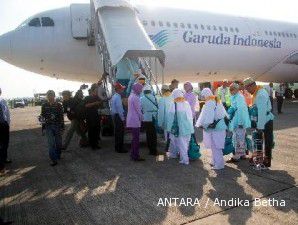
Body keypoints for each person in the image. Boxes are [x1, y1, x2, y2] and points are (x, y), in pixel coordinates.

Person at [244, 77, 274, 167]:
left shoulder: (261, 94)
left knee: (266, 141)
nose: (248, 91)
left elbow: (261, 113)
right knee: (259, 141)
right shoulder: (257, 92)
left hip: (265, 121)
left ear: (252, 85)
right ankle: (259, 159)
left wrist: (260, 127)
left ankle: (266, 161)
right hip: (261, 120)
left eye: (247, 88)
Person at [195, 88, 227, 170]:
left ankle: (219, 165)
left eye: (203, 96)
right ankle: (216, 162)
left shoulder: (209, 102)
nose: (202, 97)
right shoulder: (215, 100)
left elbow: (208, 118)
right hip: (219, 127)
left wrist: (203, 126)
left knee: (216, 147)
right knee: (216, 146)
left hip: (216, 128)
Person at [166, 89, 194, 165]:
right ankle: (181, 157)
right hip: (187, 127)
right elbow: (190, 117)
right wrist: (191, 128)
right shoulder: (186, 103)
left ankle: (185, 160)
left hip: (178, 128)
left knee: (180, 143)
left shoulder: (173, 104)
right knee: (185, 143)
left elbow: (170, 118)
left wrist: (168, 128)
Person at [226, 83, 251, 163]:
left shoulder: (239, 97)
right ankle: (242, 153)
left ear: (235, 90)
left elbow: (241, 111)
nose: (230, 91)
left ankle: (237, 156)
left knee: (238, 138)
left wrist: (240, 122)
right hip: (237, 120)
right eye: (230, 89)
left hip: (239, 121)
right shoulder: (236, 96)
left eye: (231, 89)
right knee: (240, 137)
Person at [41, 90, 64, 166]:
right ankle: (53, 160)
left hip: (57, 126)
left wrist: (62, 127)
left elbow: (61, 117)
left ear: (54, 96)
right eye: (48, 95)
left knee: (59, 143)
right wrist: (43, 128)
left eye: (51, 95)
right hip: (48, 127)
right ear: (47, 96)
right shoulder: (44, 105)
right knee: (51, 144)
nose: (50, 97)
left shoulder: (59, 105)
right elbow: (42, 117)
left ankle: (58, 155)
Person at [126, 83, 144, 161]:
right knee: (136, 139)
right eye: (140, 89)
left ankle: (133, 154)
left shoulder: (131, 96)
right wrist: (142, 118)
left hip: (131, 119)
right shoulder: (136, 97)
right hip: (135, 120)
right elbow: (138, 110)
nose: (141, 90)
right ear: (137, 89)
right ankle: (135, 156)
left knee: (134, 138)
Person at [141, 85, 159, 155]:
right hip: (154, 117)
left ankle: (150, 149)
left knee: (148, 134)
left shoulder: (142, 98)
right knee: (154, 134)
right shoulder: (154, 98)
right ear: (150, 91)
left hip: (146, 117)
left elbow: (140, 108)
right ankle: (154, 149)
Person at [111, 82, 127, 153]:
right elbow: (120, 109)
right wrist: (123, 119)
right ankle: (120, 148)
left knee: (117, 132)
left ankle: (117, 147)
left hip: (116, 116)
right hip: (118, 116)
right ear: (119, 89)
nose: (123, 90)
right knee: (120, 133)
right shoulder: (118, 97)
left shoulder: (114, 96)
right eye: (122, 89)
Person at [84, 84, 102, 150]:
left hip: (97, 116)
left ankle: (96, 144)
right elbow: (86, 105)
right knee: (91, 131)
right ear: (93, 90)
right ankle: (92, 145)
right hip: (90, 117)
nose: (97, 91)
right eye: (96, 90)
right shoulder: (87, 98)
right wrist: (95, 103)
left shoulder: (98, 97)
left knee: (97, 130)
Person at [158, 85, 173, 152]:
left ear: (163, 90)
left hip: (166, 120)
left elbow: (161, 112)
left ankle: (169, 149)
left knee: (167, 135)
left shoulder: (162, 99)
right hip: (174, 120)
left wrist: (160, 123)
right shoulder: (173, 97)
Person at [0, 88, 11, 174]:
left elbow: (7, 113)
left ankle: (4, 158)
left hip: (4, 125)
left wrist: (8, 124)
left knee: (5, 143)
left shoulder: (3, 101)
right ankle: (1, 166)